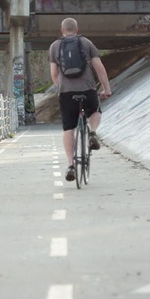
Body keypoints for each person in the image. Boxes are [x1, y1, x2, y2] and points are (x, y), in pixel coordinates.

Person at [48, 17, 112, 182]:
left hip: (66, 93)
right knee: (95, 110)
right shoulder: (86, 43)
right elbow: (100, 68)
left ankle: (70, 165)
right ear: (76, 30)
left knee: (68, 128)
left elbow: (54, 74)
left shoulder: (55, 46)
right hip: (88, 88)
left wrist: (62, 86)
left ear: (62, 30)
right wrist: (106, 89)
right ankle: (92, 132)